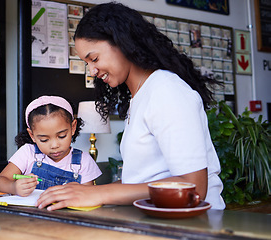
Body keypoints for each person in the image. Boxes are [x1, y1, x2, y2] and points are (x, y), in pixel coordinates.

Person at [35, 2, 226, 210]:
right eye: (87, 63)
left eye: (94, 59)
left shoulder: (166, 90)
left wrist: (99, 193)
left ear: (123, 42)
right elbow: (142, 180)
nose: (92, 71)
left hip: (194, 225)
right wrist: (85, 193)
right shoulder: (140, 96)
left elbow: (194, 187)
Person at [0, 95, 102, 197]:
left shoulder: (84, 161)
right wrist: (14, 187)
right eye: (44, 140)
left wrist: (78, 192)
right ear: (32, 135)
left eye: (62, 136)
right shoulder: (28, 153)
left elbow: (89, 196)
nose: (54, 145)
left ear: (73, 127)